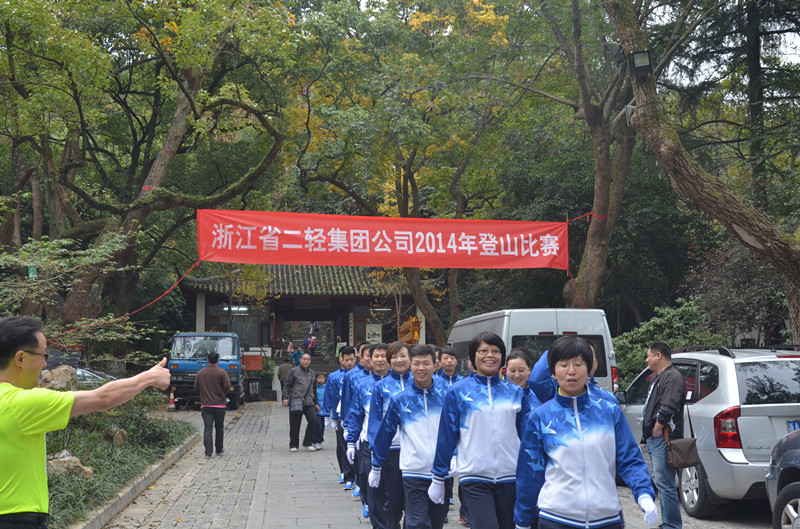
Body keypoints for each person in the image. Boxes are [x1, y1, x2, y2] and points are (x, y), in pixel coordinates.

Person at [0, 316, 171, 529]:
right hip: (16, 518)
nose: (45, 363)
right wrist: (149, 377)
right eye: (44, 355)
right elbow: (103, 398)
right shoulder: (19, 403)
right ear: (20, 358)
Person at [514, 336, 657, 529]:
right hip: (556, 518)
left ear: (589, 369)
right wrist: (522, 521)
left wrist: (644, 494)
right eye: (563, 365)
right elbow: (529, 473)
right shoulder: (540, 417)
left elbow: (629, 458)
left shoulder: (609, 412)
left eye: (578, 364)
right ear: (553, 372)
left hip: (606, 519)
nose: (571, 371)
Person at [429, 331, 529, 529]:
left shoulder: (516, 393)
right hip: (474, 477)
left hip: (510, 477)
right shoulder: (458, 392)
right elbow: (447, 436)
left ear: (503, 357)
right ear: (473, 357)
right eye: (483, 351)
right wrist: (438, 477)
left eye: (495, 351)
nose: (489, 355)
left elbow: (526, 438)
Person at [371, 344, 451, 529]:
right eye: (417, 363)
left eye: (426, 363)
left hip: (441, 471)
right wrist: (376, 465)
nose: (421, 368)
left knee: (436, 522)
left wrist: (454, 456)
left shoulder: (446, 395)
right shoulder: (400, 400)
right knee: (417, 522)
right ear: (411, 365)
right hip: (413, 471)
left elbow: (457, 430)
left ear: (435, 365)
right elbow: (385, 433)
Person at [642, 342, 686, 529]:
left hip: (665, 436)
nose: (647, 360)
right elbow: (650, 408)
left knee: (665, 482)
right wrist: (645, 436)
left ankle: (672, 525)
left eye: (649, 355)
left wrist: (658, 426)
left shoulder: (672, 377)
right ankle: (668, 522)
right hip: (655, 437)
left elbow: (669, 405)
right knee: (660, 481)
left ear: (658, 355)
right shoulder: (657, 378)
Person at [368, 341, 412, 529]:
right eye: (394, 357)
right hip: (391, 451)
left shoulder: (419, 383)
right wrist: (375, 450)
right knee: (393, 500)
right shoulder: (381, 387)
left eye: (403, 356)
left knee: (414, 500)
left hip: (416, 451)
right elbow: (375, 421)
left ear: (410, 359)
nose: (399, 360)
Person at [345, 343, 389, 523]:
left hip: (397, 446)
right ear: (369, 359)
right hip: (369, 444)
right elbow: (356, 414)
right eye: (376, 356)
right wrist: (351, 440)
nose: (380, 359)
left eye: (384, 356)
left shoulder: (403, 385)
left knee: (392, 492)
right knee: (372, 486)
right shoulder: (363, 386)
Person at [528, 342, 617, 405]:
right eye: (565, 364)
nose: (572, 370)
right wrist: (557, 351)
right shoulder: (554, 393)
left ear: (595, 363)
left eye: (578, 363)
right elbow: (536, 381)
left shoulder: (608, 400)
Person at [340, 341, 372, 492]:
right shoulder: (352, 376)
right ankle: (357, 482)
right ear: (361, 356)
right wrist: (345, 423)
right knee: (359, 457)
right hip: (358, 422)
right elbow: (347, 402)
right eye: (368, 355)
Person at [323, 346, 358, 484]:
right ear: (340, 359)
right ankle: (345, 472)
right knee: (342, 445)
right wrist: (328, 415)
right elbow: (329, 396)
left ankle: (356, 473)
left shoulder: (359, 375)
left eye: (352, 359)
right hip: (340, 415)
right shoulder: (334, 377)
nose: (349, 362)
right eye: (346, 359)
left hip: (356, 414)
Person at [194, 351, 231, 458]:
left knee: (208, 428)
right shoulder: (222, 372)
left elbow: (196, 388)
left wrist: (203, 394)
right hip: (219, 405)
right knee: (219, 427)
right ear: (218, 360)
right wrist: (223, 394)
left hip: (206, 405)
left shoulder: (200, 373)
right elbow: (227, 385)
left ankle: (208, 453)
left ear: (208, 360)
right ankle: (219, 449)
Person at [282, 352, 318, 452]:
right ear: (300, 360)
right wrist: (285, 398)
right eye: (304, 359)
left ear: (310, 361)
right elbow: (286, 385)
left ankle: (307, 442)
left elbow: (314, 388)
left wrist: (316, 402)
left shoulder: (312, 373)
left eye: (308, 359)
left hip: (309, 402)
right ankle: (293, 444)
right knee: (295, 424)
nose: (306, 361)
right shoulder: (293, 371)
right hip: (296, 401)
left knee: (313, 420)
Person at [313, 372, 327, 450]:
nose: (321, 379)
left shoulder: (326, 387)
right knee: (318, 426)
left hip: (324, 411)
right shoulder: (314, 388)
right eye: (319, 378)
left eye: (322, 378)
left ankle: (320, 440)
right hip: (316, 411)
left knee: (323, 426)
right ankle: (316, 441)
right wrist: (315, 404)